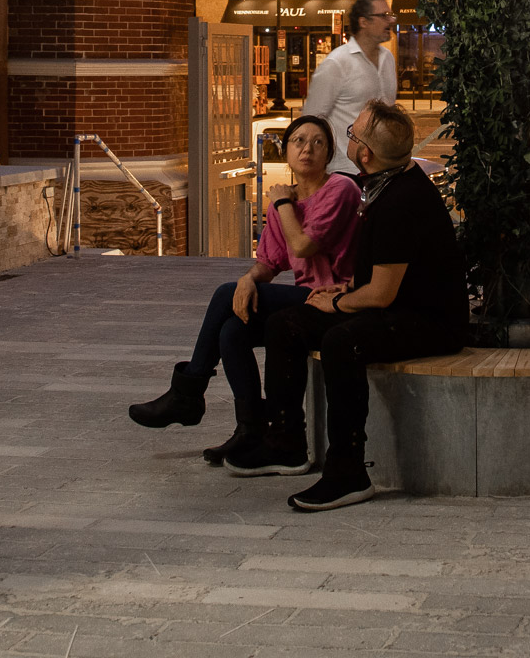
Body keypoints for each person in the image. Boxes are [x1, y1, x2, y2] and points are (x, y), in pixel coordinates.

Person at [226, 101, 468, 511]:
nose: (349, 138)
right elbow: (376, 276)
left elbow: (382, 296)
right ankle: (285, 443)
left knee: (342, 341)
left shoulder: (400, 202)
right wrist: (343, 289)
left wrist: (338, 301)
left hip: (429, 321)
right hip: (394, 302)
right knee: (285, 324)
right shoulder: (382, 181)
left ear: (366, 153)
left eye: (353, 136)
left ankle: (347, 471)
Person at [126, 115, 360, 464]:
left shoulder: (340, 189)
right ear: (286, 150)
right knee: (232, 330)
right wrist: (249, 280)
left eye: (317, 142)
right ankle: (250, 431)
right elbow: (269, 263)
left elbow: (303, 246)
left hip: (339, 300)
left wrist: (281, 205)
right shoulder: (286, 201)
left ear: (329, 154)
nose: (307, 149)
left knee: (224, 294)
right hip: (309, 301)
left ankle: (188, 392)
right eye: (298, 141)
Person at [298, 0, 397, 174]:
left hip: (382, 170)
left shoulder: (388, 59)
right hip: (345, 171)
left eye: (390, 15)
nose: (390, 20)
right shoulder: (336, 64)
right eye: (383, 16)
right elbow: (310, 123)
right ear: (363, 22)